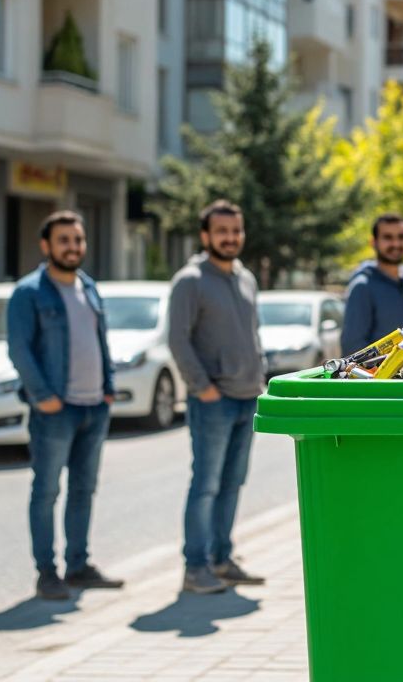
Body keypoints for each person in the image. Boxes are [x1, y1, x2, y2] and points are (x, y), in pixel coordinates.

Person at [6, 210, 124, 600]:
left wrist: (108, 387)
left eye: (78, 240)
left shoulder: (89, 287)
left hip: (94, 407)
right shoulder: (29, 293)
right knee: (46, 491)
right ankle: (47, 572)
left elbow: (100, 341)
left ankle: (79, 565)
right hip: (55, 411)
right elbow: (20, 350)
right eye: (64, 241)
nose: (73, 248)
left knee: (83, 489)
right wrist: (45, 398)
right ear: (46, 246)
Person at [167, 200, 267, 594]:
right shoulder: (190, 280)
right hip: (213, 401)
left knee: (232, 483)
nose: (231, 238)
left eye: (236, 230)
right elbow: (178, 339)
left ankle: (222, 560)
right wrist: (202, 388)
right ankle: (196, 567)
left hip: (247, 398)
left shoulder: (246, 278)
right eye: (222, 231)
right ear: (205, 235)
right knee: (206, 485)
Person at [341, 213, 403, 353]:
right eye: (388, 237)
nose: (396, 244)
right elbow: (352, 348)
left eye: (401, 237)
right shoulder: (362, 287)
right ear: (373, 242)